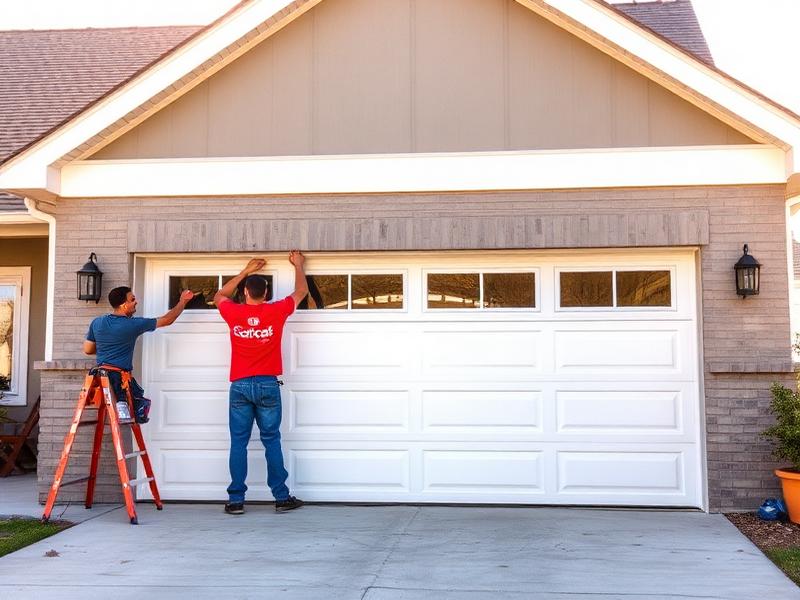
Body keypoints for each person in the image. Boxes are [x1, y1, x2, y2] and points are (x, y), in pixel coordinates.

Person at [214, 252, 308, 515]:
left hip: (240, 385)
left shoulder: (233, 311)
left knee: (238, 443)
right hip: (267, 384)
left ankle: (236, 501)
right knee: (271, 440)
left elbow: (219, 295)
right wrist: (298, 265)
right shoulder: (276, 310)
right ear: (266, 294)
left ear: (245, 292)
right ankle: (281, 497)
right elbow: (301, 291)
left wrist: (245, 271)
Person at [83, 286, 194, 423]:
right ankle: (122, 406)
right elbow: (167, 320)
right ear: (123, 305)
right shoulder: (133, 324)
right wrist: (183, 301)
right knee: (136, 398)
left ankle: (122, 405)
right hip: (119, 378)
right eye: (132, 299)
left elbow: (88, 349)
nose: (136, 302)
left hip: (100, 376)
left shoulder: (97, 322)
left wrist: (108, 347)